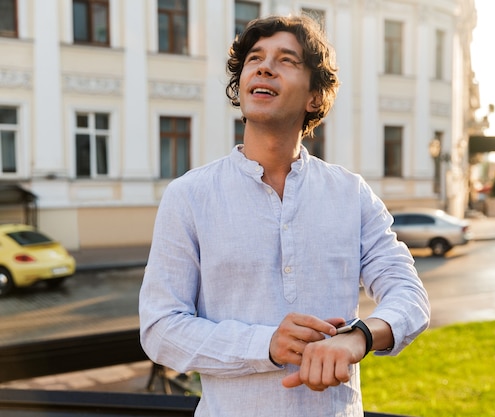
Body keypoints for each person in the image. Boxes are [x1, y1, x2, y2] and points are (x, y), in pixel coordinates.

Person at [139, 14, 430, 417]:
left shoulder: (350, 194)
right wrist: (266, 345)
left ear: (314, 97)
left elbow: (410, 296)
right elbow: (160, 329)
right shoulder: (189, 196)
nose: (263, 66)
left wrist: (358, 338)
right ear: (241, 85)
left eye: (286, 60)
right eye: (254, 58)